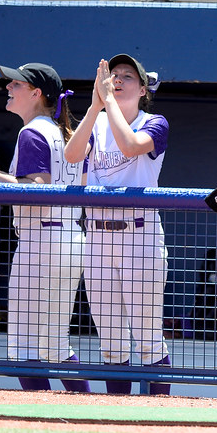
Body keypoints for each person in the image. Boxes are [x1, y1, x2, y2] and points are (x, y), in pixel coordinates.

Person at [0, 63, 89, 393]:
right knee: (54, 344)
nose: (8, 87)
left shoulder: (32, 131)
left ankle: (37, 412)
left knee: (23, 346)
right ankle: (85, 405)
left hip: (42, 239)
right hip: (69, 235)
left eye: (16, 84)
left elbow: (36, 188)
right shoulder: (65, 132)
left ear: (36, 93)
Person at [64, 54, 171, 396]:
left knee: (147, 337)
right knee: (110, 340)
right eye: (114, 74)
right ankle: (117, 413)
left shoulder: (154, 122)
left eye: (128, 76)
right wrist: (95, 106)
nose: (118, 79)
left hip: (139, 233)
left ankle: (159, 413)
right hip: (97, 236)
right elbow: (71, 155)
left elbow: (130, 145)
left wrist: (108, 100)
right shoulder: (97, 122)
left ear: (143, 89)